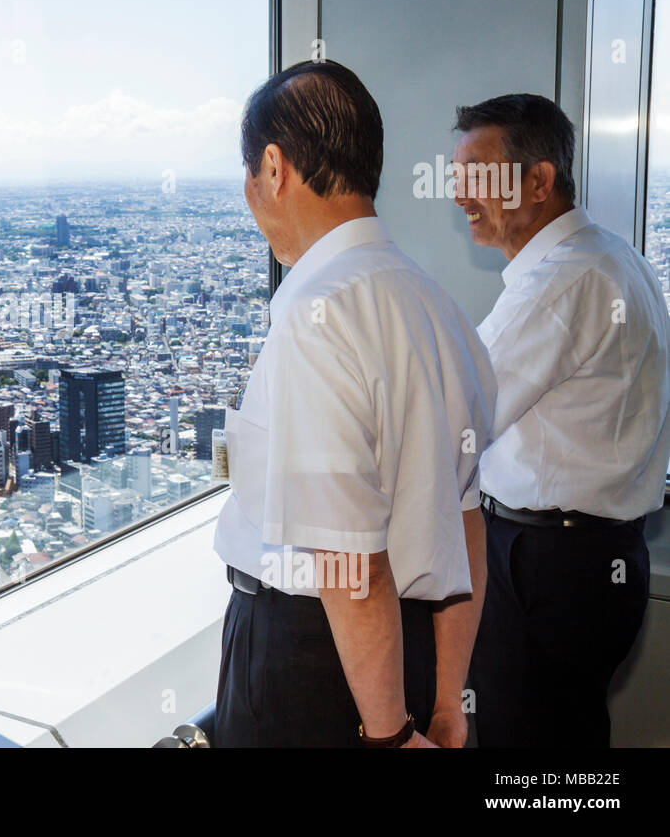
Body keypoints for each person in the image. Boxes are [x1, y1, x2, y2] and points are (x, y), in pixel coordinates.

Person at [213, 59, 497, 747]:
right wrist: (446, 701)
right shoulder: (440, 308)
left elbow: (351, 563)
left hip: (314, 664)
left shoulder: (317, 317)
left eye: (249, 173)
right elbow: (465, 523)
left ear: (274, 169)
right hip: (412, 648)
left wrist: (389, 734)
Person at [452, 93, 670, 747]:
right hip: (595, 559)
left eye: (478, 178)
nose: (461, 196)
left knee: (525, 753)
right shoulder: (615, 257)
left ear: (539, 181)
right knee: (564, 740)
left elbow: (460, 412)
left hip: (548, 564)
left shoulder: (563, 282)